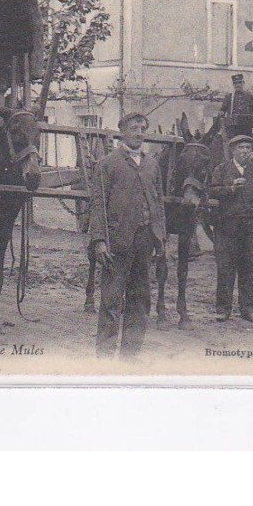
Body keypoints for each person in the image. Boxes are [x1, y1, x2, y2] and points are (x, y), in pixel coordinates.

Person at [88, 112, 166, 357]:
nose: (139, 132)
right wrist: (99, 240)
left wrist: (160, 237)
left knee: (140, 300)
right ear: (122, 131)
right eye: (134, 128)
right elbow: (98, 204)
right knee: (111, 301)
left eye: (143, 128)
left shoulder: (152, 164)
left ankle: (130, 357)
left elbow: (158, 202)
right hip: (117, 242)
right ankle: (104, 357)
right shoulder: (108, 163)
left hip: (145, 240)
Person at [209, 135, 253, 323]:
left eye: (248, 147)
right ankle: (223, 309)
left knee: (248, 268)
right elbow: (212, 190)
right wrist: (230, 188)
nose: (245, 151)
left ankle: (248, 308)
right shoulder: (222, 169)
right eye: (241, 147)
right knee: (225, 268)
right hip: (226, 227)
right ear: (233, 151)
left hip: (251, 227)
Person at [220, 74, 253, 139]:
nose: (237, 85)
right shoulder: (229, 97)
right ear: (233, 85)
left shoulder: (250, 97)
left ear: (243, 83)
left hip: (246, 128)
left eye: (239, 82)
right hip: (232, 128)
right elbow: (222, 111)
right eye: (235, 83)